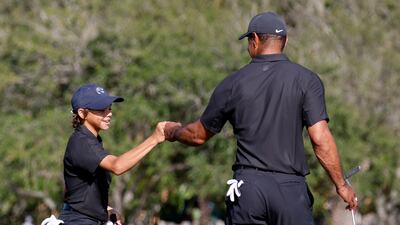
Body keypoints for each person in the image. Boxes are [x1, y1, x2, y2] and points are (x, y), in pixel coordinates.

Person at [165, 12, 358, 225]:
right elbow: (320, 139)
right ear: (285, 41)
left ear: (255, 39)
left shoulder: (233, 83)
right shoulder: (307, 80)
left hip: (248, 190)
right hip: (290, 192)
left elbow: (197, 135)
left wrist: (172, 132)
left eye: (249, 41)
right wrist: (341, 185)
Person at [59, 83, 178, 225]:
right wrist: (155, 138)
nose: (108, 113)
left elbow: (80, 190)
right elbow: (117, 166)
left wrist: (105, 209)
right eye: (101, 109)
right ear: (81, 113)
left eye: (109, 108)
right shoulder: (81, 141)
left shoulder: (92, 140)